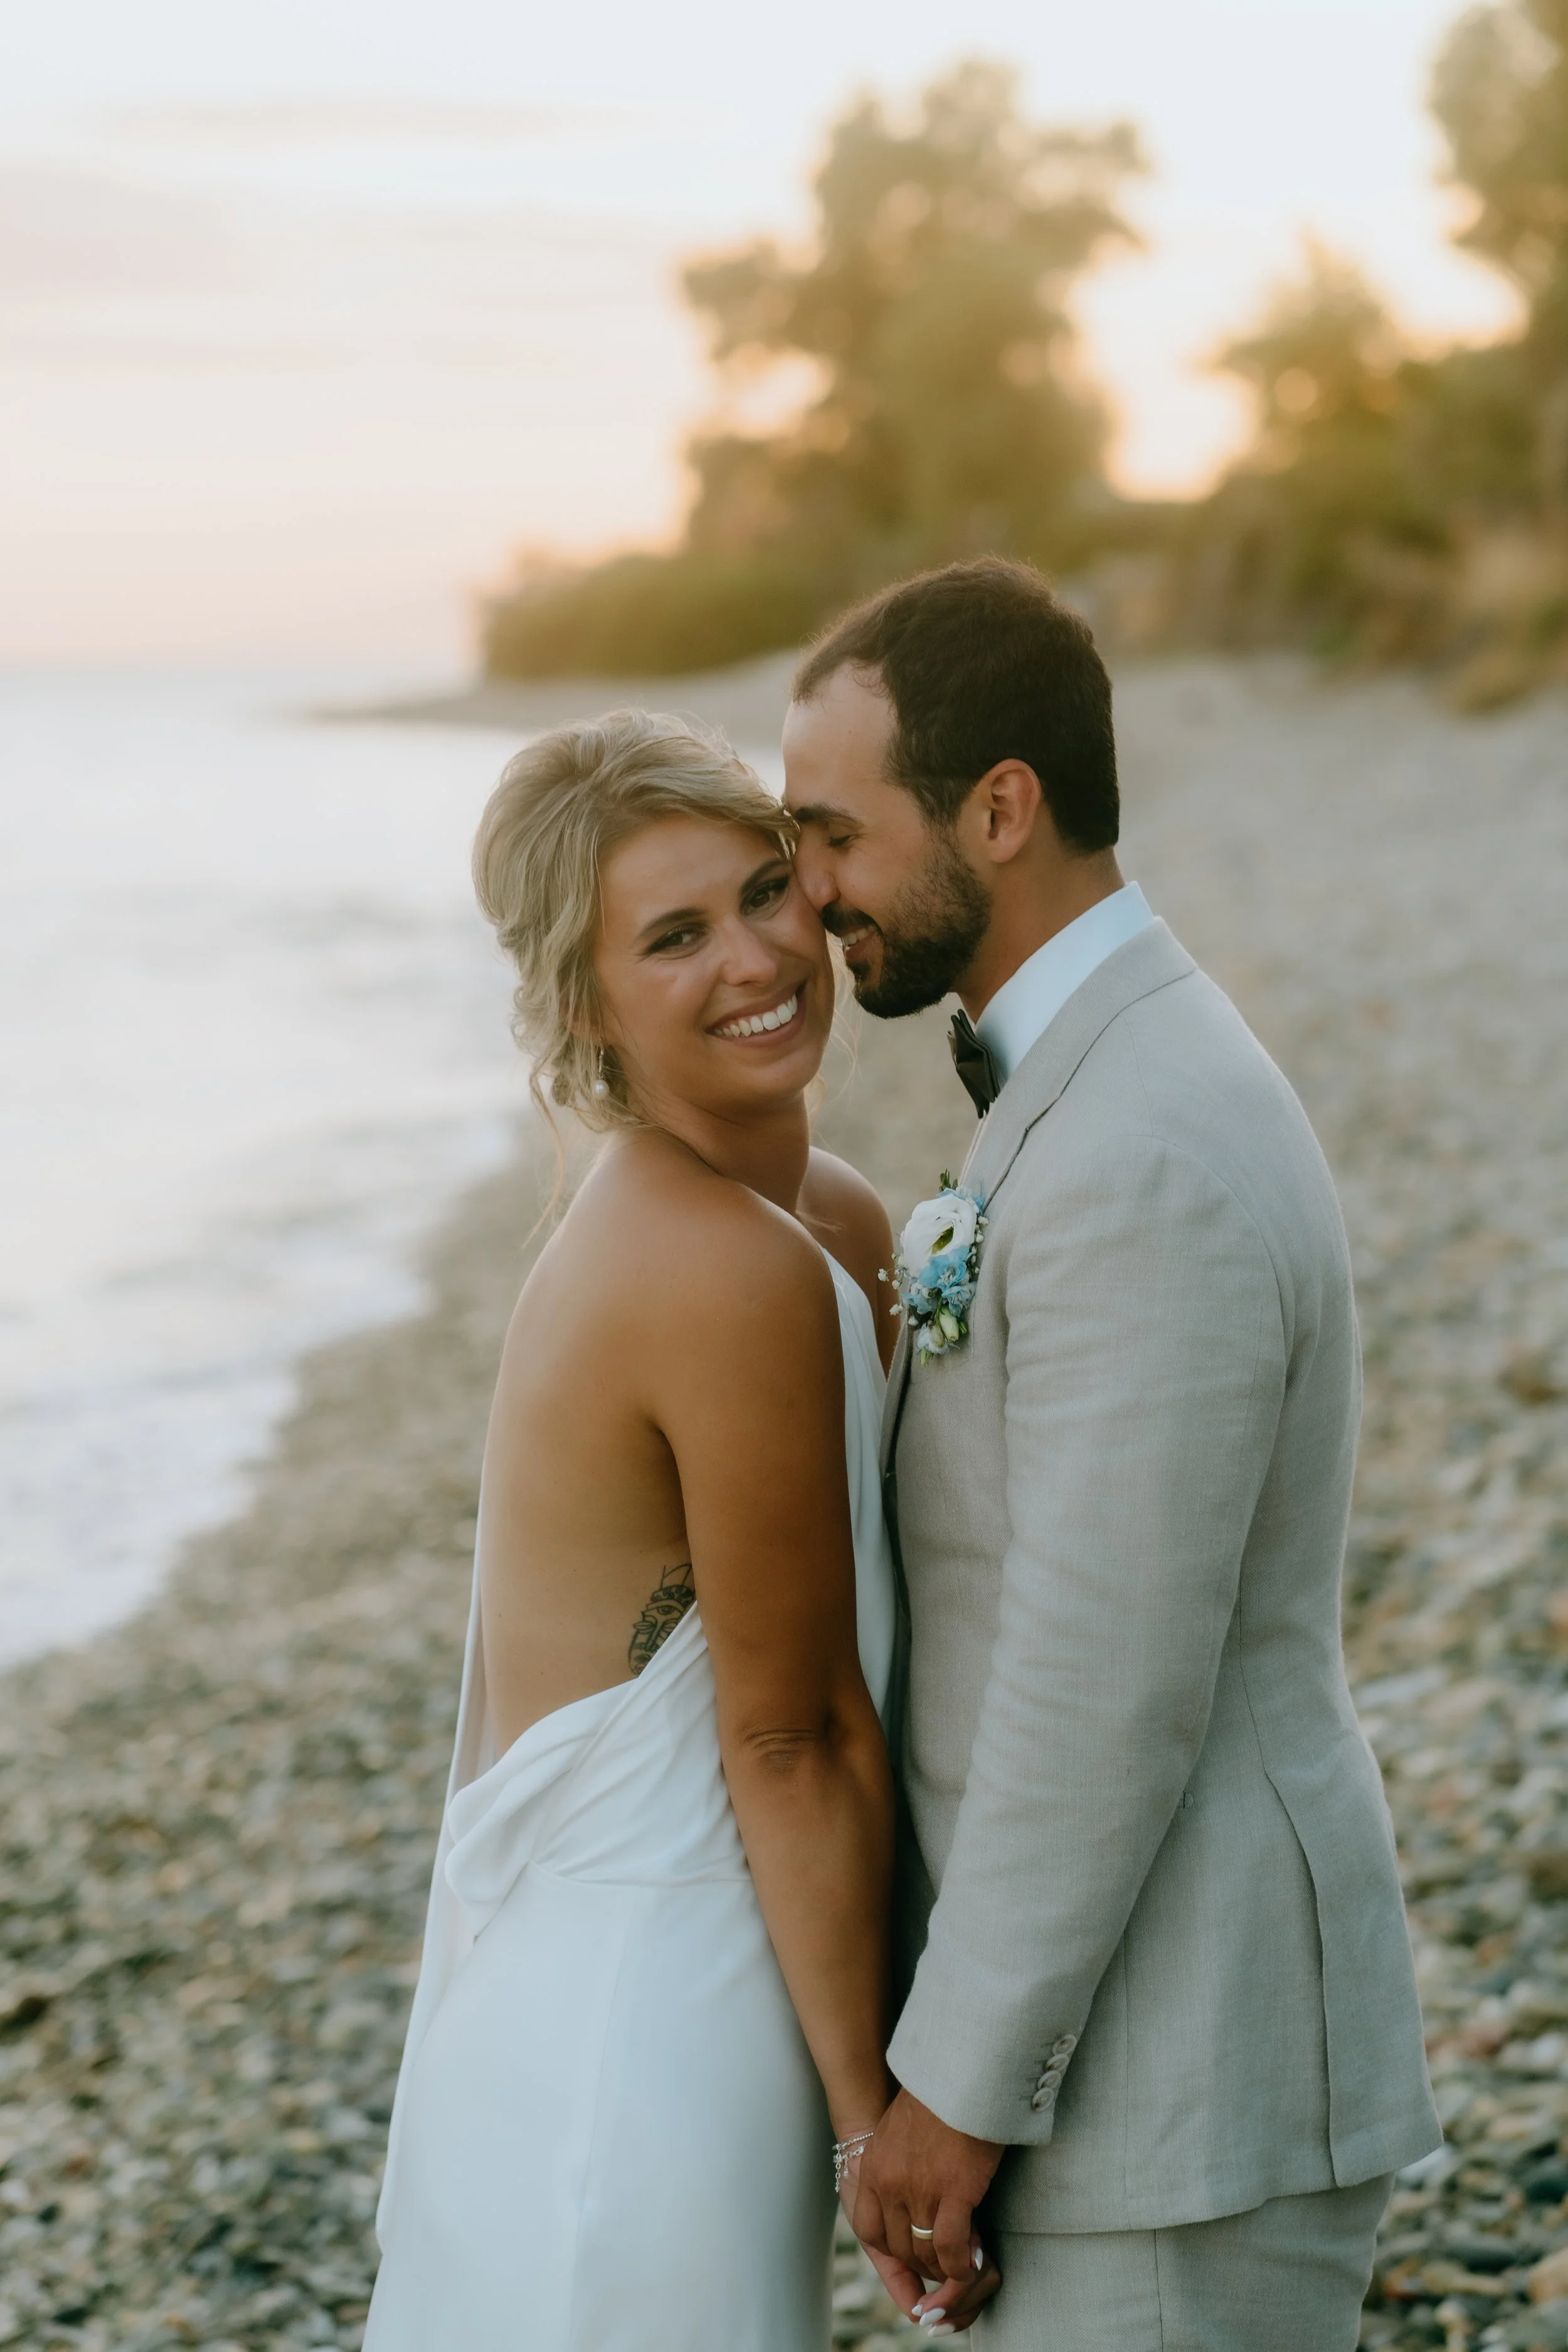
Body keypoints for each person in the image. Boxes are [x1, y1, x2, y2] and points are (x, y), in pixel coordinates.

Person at [781, 557, 1442, 2351]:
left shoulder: (1137, 1144)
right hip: (1140, 2080)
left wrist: (954, 2087)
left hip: (1177, 2091)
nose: (810, 891)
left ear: (999, 809)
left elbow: (1104, 1670)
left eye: (835, 834)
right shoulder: (1095, 1076)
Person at [364, 712, 999, 2350]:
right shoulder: (712, 1267)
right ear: (582, 1004)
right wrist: (875, 2123)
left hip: (677, 1999)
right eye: (673, 936)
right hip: (640, 2037)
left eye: (764, 891)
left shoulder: (828, 1214)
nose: (755, 958)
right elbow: (790, 1731)